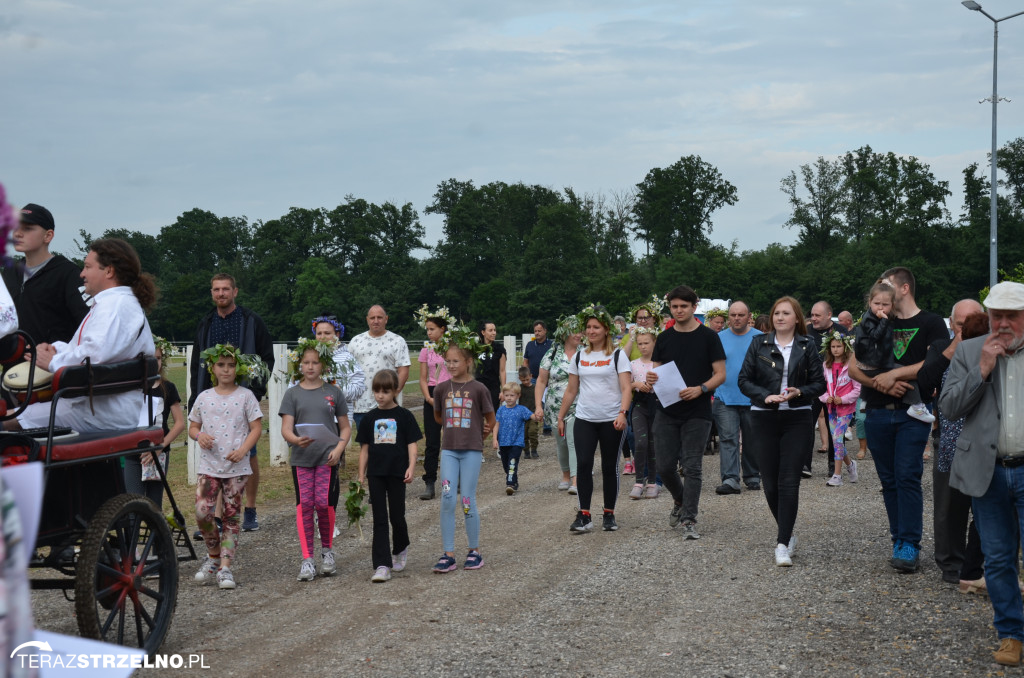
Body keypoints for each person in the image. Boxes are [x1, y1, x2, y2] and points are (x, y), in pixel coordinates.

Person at [939, 281, 1024, 667]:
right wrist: (983, 369)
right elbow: (950, 408)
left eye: (1013, 316)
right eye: (997, 316)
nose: (1003, 324)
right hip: (987, 471)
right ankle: (1011, 634)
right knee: (998, 557)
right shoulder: (970, 351)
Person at [849, 267, 948, 573]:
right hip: (877, 410)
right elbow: (853, 368)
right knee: (889, 480)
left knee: (907, 476)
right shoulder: (873, 322)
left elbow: (934, 364)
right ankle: (898, 539)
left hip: (912, 412)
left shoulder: (931, 322)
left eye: (887, 285)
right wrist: (883, 382)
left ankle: (909, 544)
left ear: (904, 289)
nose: (880, 291)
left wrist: (894, 374)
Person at [10, 238, 155, 433]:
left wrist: (53, 362)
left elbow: (93, 356)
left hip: (101, 413)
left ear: (109, 271)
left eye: (87, 267)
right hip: (103, 407)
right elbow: (92, 351)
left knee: (7, 420)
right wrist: (56, 349)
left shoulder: (115, 307)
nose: (82, 274)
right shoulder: (115, 304)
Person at [738, 296, 826, 566]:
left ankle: (781, 543)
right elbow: (744, 380)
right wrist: (766, 396)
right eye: (776, 313)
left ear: (797, 318)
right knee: (770, 483)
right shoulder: (758, 343)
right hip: (764, 417)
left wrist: (799, 392)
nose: (779, 317)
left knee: (789, 482)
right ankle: (787, 534)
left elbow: (819, 384)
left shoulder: (808, 344)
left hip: (797, 417)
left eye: (786, 313)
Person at [190, 273, 274, 532]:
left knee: (248, 455)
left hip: (242, 396)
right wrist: (197, 396)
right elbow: (196, 365)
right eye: (216, 289)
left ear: (235, 292)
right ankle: (215, 516)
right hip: (212, 398)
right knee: (214, 455)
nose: (221, 294)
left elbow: (266, 358)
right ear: (212, 293)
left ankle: (249, 510)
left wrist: (256, 392)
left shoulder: (251, 321)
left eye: (225, 289)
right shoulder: (206, 323)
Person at [646, 286, 726, 539]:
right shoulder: (664, 338)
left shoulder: (709, 337)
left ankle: (689, 519)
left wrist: (701, 389)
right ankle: (680, 500)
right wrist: (650, 377)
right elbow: (656, 373)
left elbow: (721, 374)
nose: (679, 310)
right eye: (674, 306)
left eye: (684, 306)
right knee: (666, 466)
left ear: (694, 307)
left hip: (698, 411)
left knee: (692, 467)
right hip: (667, 410)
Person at [917, 299, 987, 586]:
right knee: (950, 508)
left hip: (985, 442)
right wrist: (951, 350)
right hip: (949, 442)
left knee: (987, 507)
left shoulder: (992, 351)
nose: (967, 330)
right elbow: (924, 383)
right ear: (951, 323)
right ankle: (950, 564)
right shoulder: (940, 349)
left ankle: (978, 563)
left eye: (973, 323)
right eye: (961, 324)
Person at [189, 344, 265, 590]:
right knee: (203, 512)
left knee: (232, 517)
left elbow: (256, 428)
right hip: (209, 466)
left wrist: (243, 450)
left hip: (237, 468)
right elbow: (193, 427)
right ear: (213, 367)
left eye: (230, 365)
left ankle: (225, 567)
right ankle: (212, 555)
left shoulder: (245, 396)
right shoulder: (204, 397)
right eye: (221, 365)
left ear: (237, 368)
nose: (226, 370)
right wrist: (199, 435)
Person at [279, 338, 351, 582]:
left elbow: (345, 427)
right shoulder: (292, 394)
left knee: (323, 503)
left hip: (327, 458)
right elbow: (286, 428)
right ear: (300, 365)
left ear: (324, 365)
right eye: (306, 362)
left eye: (315, 362)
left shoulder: (333, 392)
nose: (310, 367)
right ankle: (307, 558)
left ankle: (327, 551)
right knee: (305, 505)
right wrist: (296, 440)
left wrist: (339, 450)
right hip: (301, 458)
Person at [557, 305, 633, 533]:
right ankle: (584, 515)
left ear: (606, 329)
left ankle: (609, 513)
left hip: (612, 419)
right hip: (585, 418)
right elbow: (571, 390)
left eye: (596, 327)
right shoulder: (580, 356)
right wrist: (561, 416)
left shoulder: (618, 355)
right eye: (588, 327)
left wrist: (623, 413)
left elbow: (626, 387)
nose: (590, 331)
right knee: (583, 465)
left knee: (610, 467)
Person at [431, 325, 495, 573]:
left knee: (467, 500)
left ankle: (474, 550)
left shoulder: (479, 389)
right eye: (448, 361)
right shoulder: (441, 389)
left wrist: (487, 431)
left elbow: (490, 418)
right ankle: (448, 553)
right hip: (449, 451)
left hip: (471, 452)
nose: (451, 365)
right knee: (447, 497)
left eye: (456, 360)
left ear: (468, 361)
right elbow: (439, 418)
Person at [357, 369, 421, 583]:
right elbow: (364, 450)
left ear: (395, 390)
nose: (380, 396)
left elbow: (412, 445)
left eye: (385, 391)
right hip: (376, 473)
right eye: (377, 391)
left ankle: (401, 547)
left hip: (397, 473)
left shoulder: (404, 416)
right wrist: (361, 476)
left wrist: (412, 466)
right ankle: (382, 565)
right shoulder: (369, 418)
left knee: (397, 516)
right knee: (380, 520)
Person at [1, 202, 88, 345]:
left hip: (51, 364)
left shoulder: (68, 274)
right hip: (13, 364)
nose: (17, 233)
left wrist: (61, 354)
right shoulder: (11, 272)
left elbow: (87, 323)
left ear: (48, 236)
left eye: (27, 228)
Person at [854, 282, 934, 424]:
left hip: (871, 361)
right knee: (905, 373)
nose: (880, 308)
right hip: (871, 363)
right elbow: (875, 336)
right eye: (877, 303)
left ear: (892, 305)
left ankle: (865, 400)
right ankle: (916, 405)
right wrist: (884, 321)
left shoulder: (874, 317)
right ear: (869, 302)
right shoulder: (869, 319)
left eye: (885, 305)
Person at [124, 337, 186, 509]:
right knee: (133, 503)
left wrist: (160, 447)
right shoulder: (131, 387)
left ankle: (155, 536)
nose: (154, 363)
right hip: (133, 454)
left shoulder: (168, 387)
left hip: (159, 454)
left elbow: (179, 423)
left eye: (157, 359)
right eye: (149, 359)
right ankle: (133, 535)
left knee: (154, 504)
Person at [713, 301, 763, 495]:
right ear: (728, 317)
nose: (736, 318)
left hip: (753, 398)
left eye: (741, 315)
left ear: (749, 316)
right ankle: (730, 479)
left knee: (752, 439)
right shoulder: (718, 338)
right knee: (728, 439)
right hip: (725, 397)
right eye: (733, 315)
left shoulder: (760, 338)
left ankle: (752, 475)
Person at [535, 315, 582, 494]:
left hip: (579, 404)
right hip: (554, 406)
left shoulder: (585, 351)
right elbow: (541, 380)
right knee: (561, 442)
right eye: (574, 331)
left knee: (573, 440)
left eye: (580, 331)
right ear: (565, 333)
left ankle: (576, 480)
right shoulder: (553, 352)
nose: (579, 335)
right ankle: (565, 475)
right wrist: (539, 405)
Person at [805, 301, 848, 478]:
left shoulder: (841, 332)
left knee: (836, 428)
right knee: (806, 425)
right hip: (812, 386)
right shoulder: (806, 331)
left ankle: (833, 464)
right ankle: (804, 464)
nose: (813, 318)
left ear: (829, 315)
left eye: (818, 316)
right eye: (812, 315)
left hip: (835, 388)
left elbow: (849, 357)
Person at [414, 306, 453, 500]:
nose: (429, 333)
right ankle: (430, 481)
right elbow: (423, 377)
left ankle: (455, 478)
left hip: (451, 392)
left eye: (432, 329)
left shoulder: (451, 347)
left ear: (443, 329)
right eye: (427, 329)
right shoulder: (425, 350)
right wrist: (428, 397)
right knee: (432, 440)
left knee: (453, 438)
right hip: (431, 393)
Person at [349, 305, 411, 424]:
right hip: (361, 406)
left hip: (387, 407)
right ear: (367, 319)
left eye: (379, 317)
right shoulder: (355, 341)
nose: (376, 321)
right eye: (372, 318)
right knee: (365, 442)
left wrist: (393, 394)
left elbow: (404, 371)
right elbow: (348, 371)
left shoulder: (397, 341)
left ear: (386, 319)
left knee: (388, 441)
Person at [819, 331, 861, 487]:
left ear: (846, 347)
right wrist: (825, 398)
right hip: (832, 409)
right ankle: (851, 465)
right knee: (837, 442)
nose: (835, 349)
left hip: (846, 409)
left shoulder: (851, 365)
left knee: (837, 440)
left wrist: (843, 399)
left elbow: (857, 389)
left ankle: (837, 475)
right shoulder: (826, 366)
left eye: (838, 346)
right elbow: (821, 387)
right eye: (833, 347)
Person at [628, 326, 659, 499]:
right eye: (640, 343)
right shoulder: (633, 364)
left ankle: (653, 482)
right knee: (640, 442)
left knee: (653, 443)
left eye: (646, 343)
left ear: (654, 342)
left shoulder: (660, 363)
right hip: (640, 405)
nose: (643, 346)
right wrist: (637, 385)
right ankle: (639, 481)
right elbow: (626, 385)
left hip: (656, 405)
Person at [493, 382, 534, 495]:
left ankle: (510, 484)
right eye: (507, 395)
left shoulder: (521, 409)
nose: (509, 398)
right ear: (503, 396)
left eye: (512, 395)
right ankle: (514, 481)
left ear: (518, 396)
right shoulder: (501, 410)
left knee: (512, 463)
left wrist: (539, 415)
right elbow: (496, 425)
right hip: (504, 442)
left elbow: (532, 416)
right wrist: (494, 439)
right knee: (506, 465)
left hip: (517, 442)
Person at [522, 320, 552, 436]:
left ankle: (547, 427)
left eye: (539, 331)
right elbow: (526, 361)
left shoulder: (551, 345)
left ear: (545, 331)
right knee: (534, 401)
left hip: (548, 379)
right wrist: (526, 374)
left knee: (547, 402)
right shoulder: (530, 345)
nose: (537, 333)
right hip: (533, 377)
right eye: (535, 331)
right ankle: (531, 425)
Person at [475, 320, 506, 410]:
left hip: (493, 386)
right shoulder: (475, 348)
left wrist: (503, 390)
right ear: (483, 332)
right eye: (490, 330)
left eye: (494, 330)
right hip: (478, 385)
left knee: (492, 412)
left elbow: (502, 370)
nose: (494, 333)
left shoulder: (499, 349)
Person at [517, 366, 539, 459]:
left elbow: (540, 400)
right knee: (524, 434)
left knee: (532, 431)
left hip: (533, 413)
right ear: (519, 379)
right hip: (522, 415)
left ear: (531, 376)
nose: (525, 382)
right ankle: (526, 451)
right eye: (523, 380)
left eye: (527, 379)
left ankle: (534, 449)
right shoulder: (519, 388)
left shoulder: (536, 388)